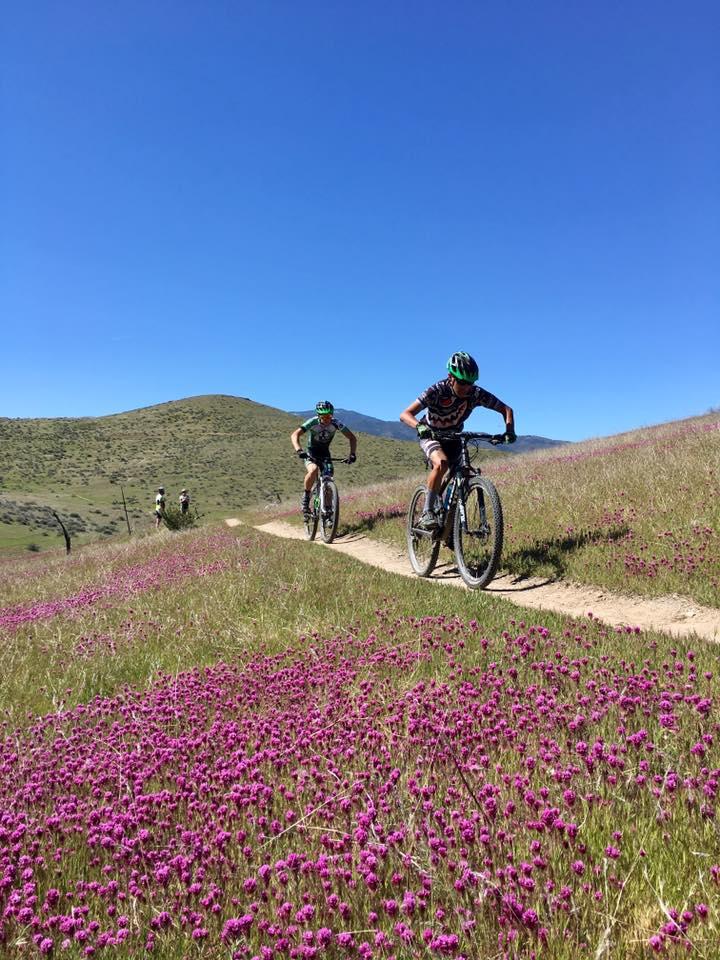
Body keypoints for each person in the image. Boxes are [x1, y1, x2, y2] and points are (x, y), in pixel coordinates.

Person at [399, 351, 516, 530]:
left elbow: (507, 410)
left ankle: (451, 530)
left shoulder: (476, 394)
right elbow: (405, 414)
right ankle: (427, 512)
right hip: (431, 434)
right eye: (462, 382)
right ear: (450, 377)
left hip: (455, 436)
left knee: (465, 474)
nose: (466, 387)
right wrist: (420, 427)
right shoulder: (437, 390)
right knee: (441, 464)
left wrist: (509, 431)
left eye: (470, 383)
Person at [290, 401, 357, 516]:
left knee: (328, 479)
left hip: (325, 453)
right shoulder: (313, 422)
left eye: (329, 416)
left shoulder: (336, 423)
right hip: (311, 453)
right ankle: (306, 498)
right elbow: (295, 435)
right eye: (323, 416)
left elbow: (352, 438)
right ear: (318, 415)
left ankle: (328, 510)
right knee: (313, 470)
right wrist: (299, 450)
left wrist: (352, 454)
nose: (326, 419)